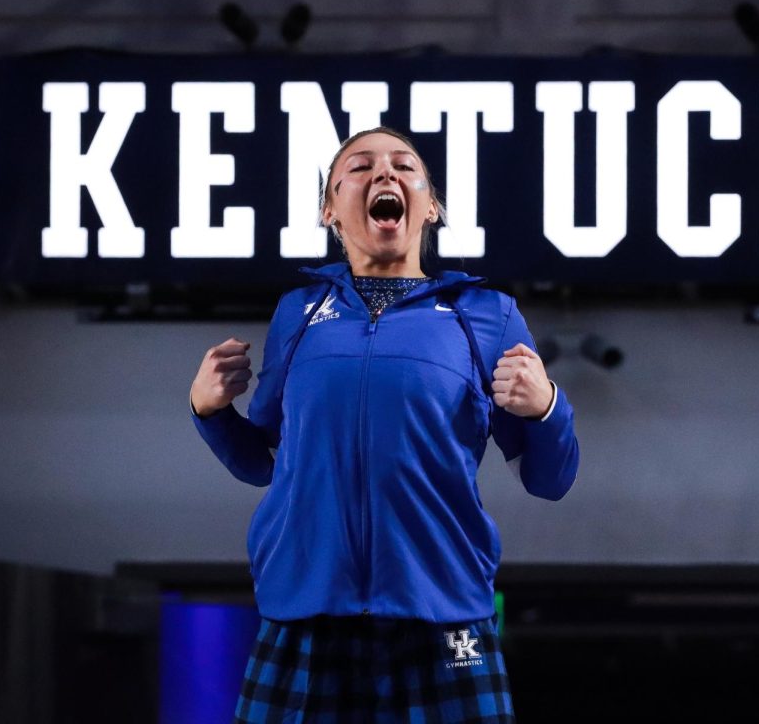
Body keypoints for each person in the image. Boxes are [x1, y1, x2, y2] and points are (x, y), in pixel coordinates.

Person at [189, 126, 580, 723]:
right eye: (360, 166)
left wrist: (548, 405)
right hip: (305, 608)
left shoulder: (487, 317)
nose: (385, 173)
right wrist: (211, 413)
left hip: (444, 612)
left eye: (404, 165)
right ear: (330, 208)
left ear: (432, 206)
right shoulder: (298, 312)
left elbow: (550, 481)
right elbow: (260, 463)